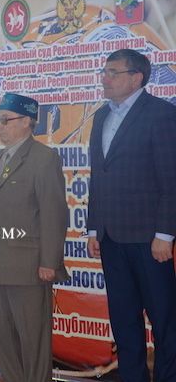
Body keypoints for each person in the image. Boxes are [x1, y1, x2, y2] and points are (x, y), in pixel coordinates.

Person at [87, 49, 176, 382]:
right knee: (124, 323)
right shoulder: (100, 117)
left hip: (149, 240)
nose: (104, 78)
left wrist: (165, 235)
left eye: (112, 72)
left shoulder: (161, 115)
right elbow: (99, 175)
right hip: (111, 237)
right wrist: (94, 228)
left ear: (136, 77)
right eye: (104, 71)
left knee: (165, 323)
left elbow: (171, 179)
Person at [0, 93, 68, 382]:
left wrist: (49, 262)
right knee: (5, 339)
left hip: (29, 267)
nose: (0, 126)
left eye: (6, 120)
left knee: (33, 340)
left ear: (28, 121)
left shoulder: (43, 158)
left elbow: (53, 214)